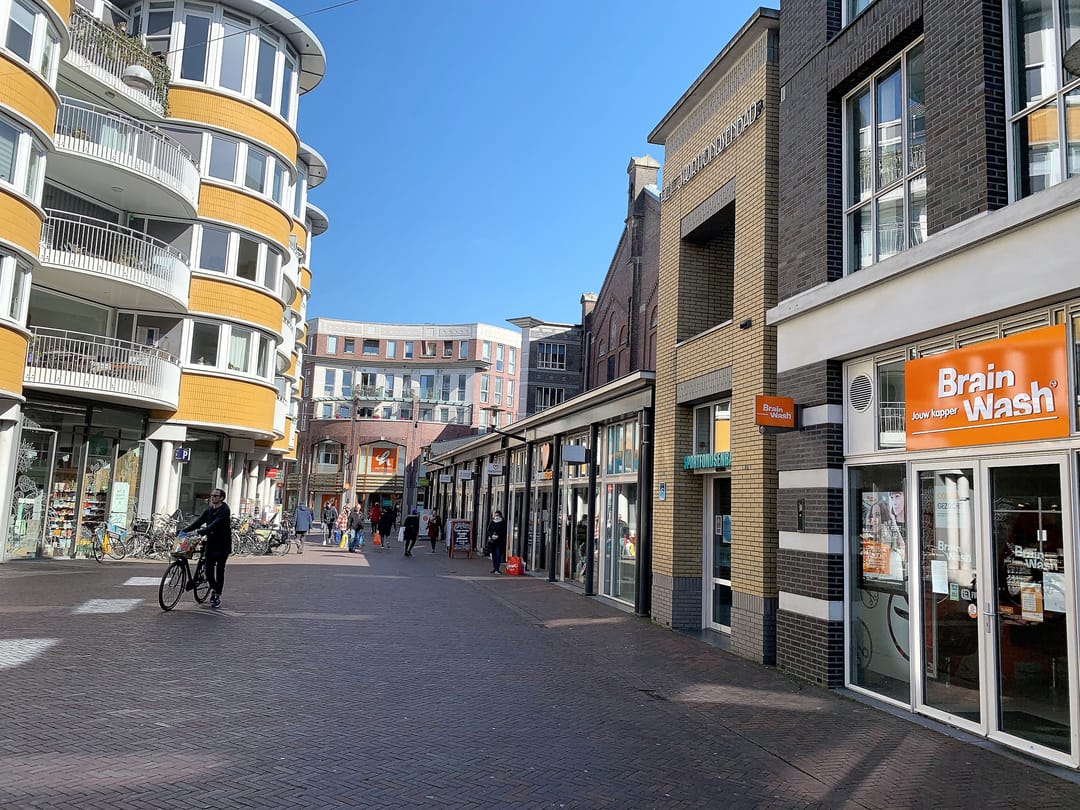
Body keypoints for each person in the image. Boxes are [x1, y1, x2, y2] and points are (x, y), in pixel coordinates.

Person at [181, 488, 231, 608]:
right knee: (208, 571)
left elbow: (215, 525)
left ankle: (217, 593)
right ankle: (214, 588)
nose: (212, 497)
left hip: (222, 545)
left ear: (221, 498)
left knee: (219, 571)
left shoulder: (225, 510)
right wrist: (183, 531)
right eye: (212, 495)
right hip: (211, 543)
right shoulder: (209, 510)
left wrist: (199, 532)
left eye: (215, 495)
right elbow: (199, 521)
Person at [485, 510, 507, 575]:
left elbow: (504, 531)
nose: (496, 517)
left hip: (499, 542)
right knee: (494, 555)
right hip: (492, 541)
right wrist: (492, 535)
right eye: (495, 515)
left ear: (500, 515)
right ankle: (494, 568)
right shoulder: (492, 522)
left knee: (498, 555)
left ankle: (497, 569)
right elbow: (488, 530)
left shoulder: (502, 522)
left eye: (497, 515)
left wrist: (498, 535)